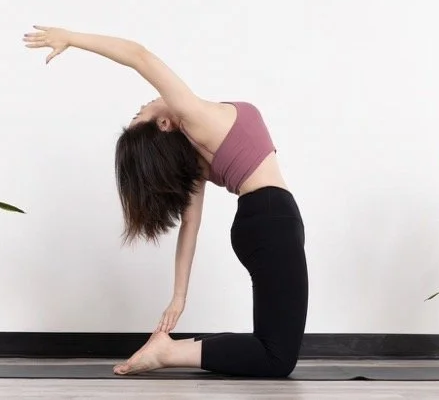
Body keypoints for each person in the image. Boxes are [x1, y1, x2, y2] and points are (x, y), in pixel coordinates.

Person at [22, 26, 308, 378]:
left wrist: (179, 297)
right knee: (277, 358)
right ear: (163, 123)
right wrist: (72, 38)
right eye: (137, 116)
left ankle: (171, 349)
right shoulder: (192, 114)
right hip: (270, 220)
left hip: (264, 222)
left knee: (272, 346)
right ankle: (168, 352)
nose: (140, 106)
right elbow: (140, 56)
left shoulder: (195, 150)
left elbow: (191, 225)